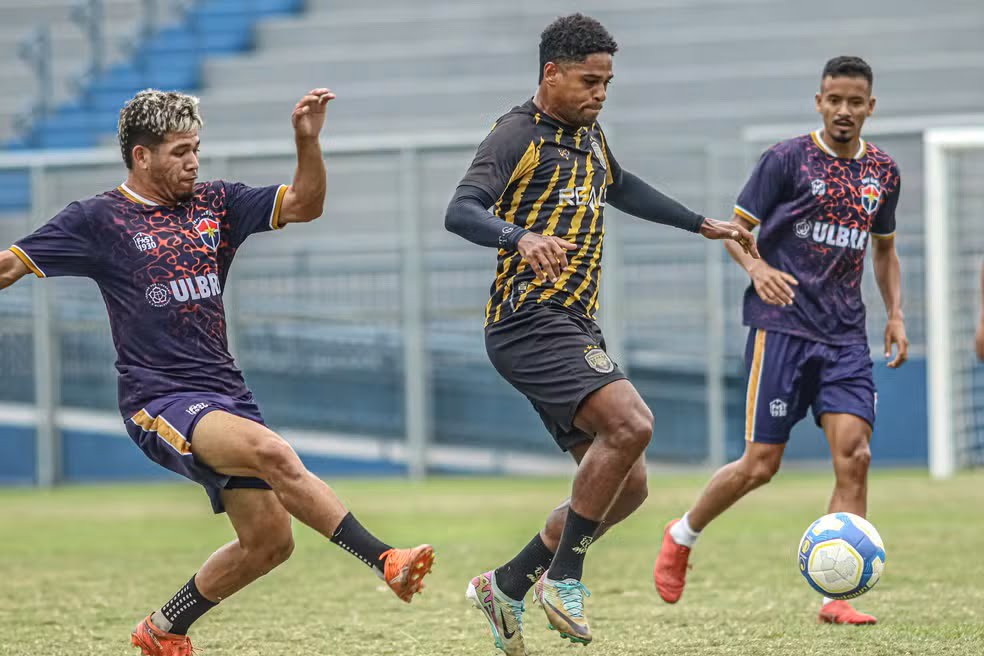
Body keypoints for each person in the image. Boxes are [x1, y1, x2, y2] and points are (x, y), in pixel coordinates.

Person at [0, 89, 434, 656]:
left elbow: (305, 203)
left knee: (269, 544)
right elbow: (8, 265)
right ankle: (385, 559)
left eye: (197, 148)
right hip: (157, 398)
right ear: (141, 157)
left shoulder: (217, 204)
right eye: (179, 151)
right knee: (274, 454)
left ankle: (162, 629)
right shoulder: (98, 219)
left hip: (224, 393)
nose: (193, 161)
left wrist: (307, 140)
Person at [445, 13, 757, 653]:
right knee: (632, 423)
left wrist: (701, 223)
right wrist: (521, 236)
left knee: (630, 484)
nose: (600, 94)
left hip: (570, 323)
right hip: (528, 319)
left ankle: (506, 585)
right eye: (590, 81)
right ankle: (563, 579)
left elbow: (621, 186)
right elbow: (460, 211)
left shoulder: (588, 136)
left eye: (607, 83)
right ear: (550, 74)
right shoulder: (515, 135)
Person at [653, 56, 907, 626]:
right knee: (760, 465)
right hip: (783, 329)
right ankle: (682, 533)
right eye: (834, 100)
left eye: (855, 101)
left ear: (871, 107)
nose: (844, 111)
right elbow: (734, 232)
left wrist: (895, 315)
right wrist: (756, 269)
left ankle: (835, 597)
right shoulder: (786, 160)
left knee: (856, 457)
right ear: (818, 102)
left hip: (844, 337)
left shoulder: (883, 173)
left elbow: (886, 251)